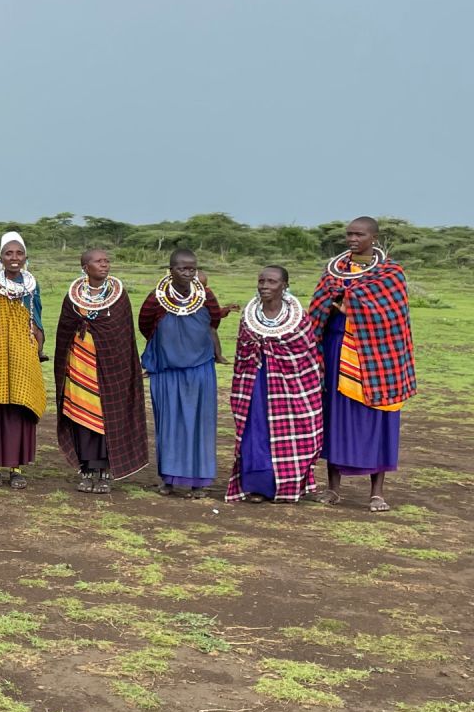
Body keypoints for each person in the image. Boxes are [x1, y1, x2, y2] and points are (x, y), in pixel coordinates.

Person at [308, 217, 416, 512]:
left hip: (378, 356)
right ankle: (332, 488)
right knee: (334, 417)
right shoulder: (335, 270)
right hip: (335, 348)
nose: (352, 239)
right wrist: (336, 302)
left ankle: (377, 492)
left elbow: (392, 314)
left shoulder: (390, 273)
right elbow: (318, 307)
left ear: (374, 238)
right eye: (349, 234)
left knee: (378, 419)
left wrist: (350, 301)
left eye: (359, 234)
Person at [227, 267, 324, 505]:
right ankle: (258, 486)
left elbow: (306, 352)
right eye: (261, 281)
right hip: (256, 382)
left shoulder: (298, 317)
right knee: (256, 431)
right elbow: (242, 353)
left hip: (292, 386)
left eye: (272, 281)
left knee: (296, 431)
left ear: (284, 286)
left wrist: (276, 354)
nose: (265, 286)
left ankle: (291, 484)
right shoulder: (250, 315)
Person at [53, 248, 147, 494]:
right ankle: (86, 469)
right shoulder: (73, 297)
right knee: (81, 417)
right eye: (98, 261)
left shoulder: (119, 296)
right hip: (78, 367)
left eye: (107, 261)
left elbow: (122, 336)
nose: (105, 265)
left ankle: (104, 468)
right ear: (85, 267)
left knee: (107, 418)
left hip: (110, 369)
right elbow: (64, 331)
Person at [139, 248, 229, 498]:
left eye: (192, 268)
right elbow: (146, 324)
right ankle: (168, 479)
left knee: (200, 423)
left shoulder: (206, 296)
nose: (188, 273)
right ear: (171, 270)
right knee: (168, 425)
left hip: (200, 369)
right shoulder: (155, 299)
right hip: (167, 372)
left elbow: (213, 322)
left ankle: (198, 482)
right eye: (182, 268)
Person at [0, 231, 45, 489]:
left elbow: (36, 316)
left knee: (20, 409)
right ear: (1, 257)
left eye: (19, 253)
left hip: (24, 357)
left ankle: (16, 467)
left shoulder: (31, 286)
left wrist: (37, 343)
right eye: (9, 253)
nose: (14, 258)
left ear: (26, 256)